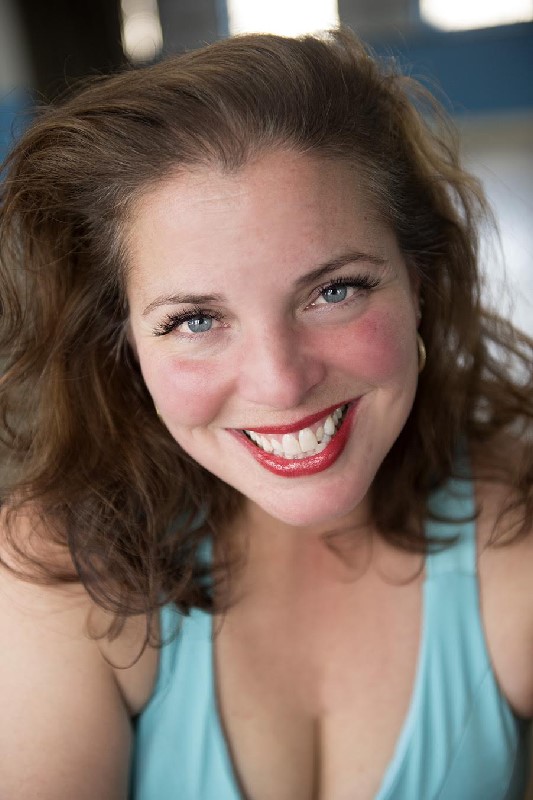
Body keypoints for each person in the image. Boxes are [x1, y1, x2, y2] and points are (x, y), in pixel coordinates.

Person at [0, 26, 532, 800]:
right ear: (126, 344)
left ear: (418, 282)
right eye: (195, 320)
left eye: (334, 291)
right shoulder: (56, 565)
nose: (281, 383)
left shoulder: (513, 522)